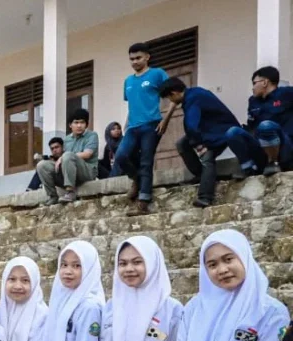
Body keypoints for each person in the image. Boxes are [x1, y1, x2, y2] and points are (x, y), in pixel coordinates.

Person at [159, 78, 248, 208]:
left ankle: (205, 197)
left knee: (207, 158)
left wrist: (199, 145)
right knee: (182, 144)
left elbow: (191, 125)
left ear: (174, 93)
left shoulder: (193, 98)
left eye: (169, 98)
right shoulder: (192, 94)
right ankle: (201, 176)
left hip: (220, 131)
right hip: (208, 130)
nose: (171, 102)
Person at [112, 42, 177, 216]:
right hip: (133, 127)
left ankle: (143, 201)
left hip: (152, 124)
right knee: (121, 156)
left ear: (147, 57)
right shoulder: (128, 81)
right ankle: (137, 179)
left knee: (146, 161)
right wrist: (126, 125)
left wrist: (166, 119)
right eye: (131, 59)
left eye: (138, 58)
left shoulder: (157, 74)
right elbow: (132, 105)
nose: (134, 62)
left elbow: (175, 96)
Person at [237, 66, 293, 176]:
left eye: (254, 83)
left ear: (264, 82)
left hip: (285, 146)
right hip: (261, 148)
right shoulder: (253, 101)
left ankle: (274, 162)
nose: (252, 88)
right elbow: (251, 126)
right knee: (233, 132)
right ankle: (248, 168)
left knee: (266, 125)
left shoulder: (287, 94)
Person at [36, 109, 99, 205]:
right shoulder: (66, 140)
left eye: (82, 122)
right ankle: (53, 196)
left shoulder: (92, 135)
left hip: (87, 172)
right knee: (42, 165)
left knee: (68, 155)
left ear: (86, 124)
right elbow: (61, 160)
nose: (79, 125)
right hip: (69, 173)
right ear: (70, 125)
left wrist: (63, 157)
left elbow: (87, 154)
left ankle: (70, 192)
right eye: (76, 122)